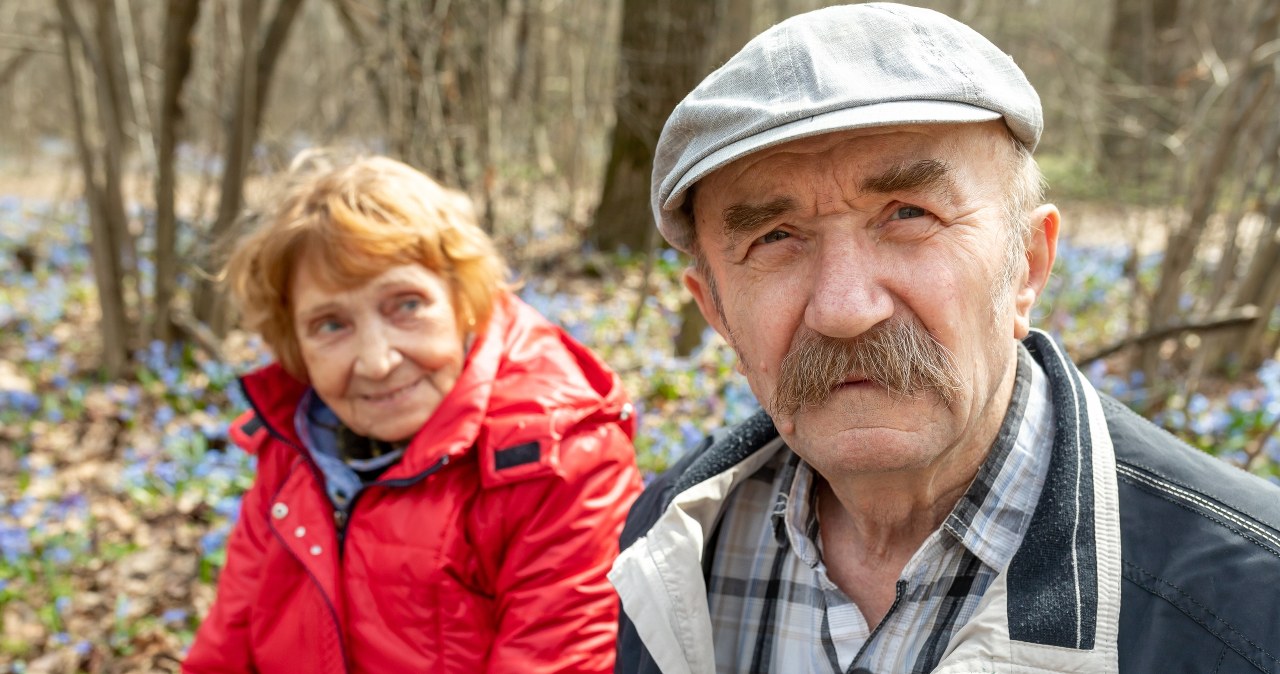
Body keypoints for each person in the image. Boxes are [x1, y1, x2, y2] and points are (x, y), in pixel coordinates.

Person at [610, 4, 1280, 673]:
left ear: (1026, 265)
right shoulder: (673, 546)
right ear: (717, 311)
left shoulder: (1252, 604)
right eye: (774, 238)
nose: (845, 308)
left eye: (909, 214)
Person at [184, 154, 642, 673]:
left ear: (464, 300)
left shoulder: (563, 460)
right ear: (295, 346)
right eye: (331, 325)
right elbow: (225, 650)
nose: (377, 362)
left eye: (406, 305)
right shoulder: (288, 447)